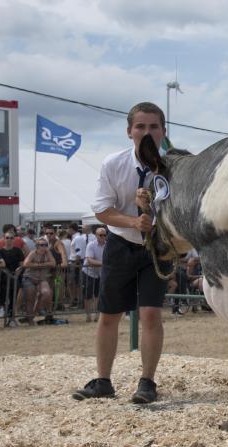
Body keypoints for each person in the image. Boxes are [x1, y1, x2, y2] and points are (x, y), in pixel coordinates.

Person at [73, 101, 171, 404]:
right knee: (109, 315)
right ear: (129, 131)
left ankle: (147, 382)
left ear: (163, 132)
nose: (146, 132)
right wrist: (133, 220)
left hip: (157, 247)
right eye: (140, 126)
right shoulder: (113, 163)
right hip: (120, 244)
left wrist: (153, 217)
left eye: (153, 126)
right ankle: (103, 380)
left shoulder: (174, 166)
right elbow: (102, 209)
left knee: (151, 314)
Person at [0, 231, 25, 327]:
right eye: (7, 238)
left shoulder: (18, 250)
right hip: (4, 278)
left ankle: (11, 318)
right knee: (3, 297)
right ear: (3, 238)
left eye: (11, 238)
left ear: (14, 239)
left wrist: (20, 269)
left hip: (16, 278)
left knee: (13, 298)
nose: (9, 240)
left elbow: (22, 264)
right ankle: (3, 310)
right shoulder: (0, 251)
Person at [21, 237, 55, 324]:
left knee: (46, 293)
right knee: (30, 297)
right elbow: (26, 263)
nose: (44, 247)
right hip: (29, 277)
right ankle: (30, 319)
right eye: (42, 245)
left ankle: (33, 313)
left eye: (45, 245)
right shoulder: (33, 253)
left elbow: (53, 263)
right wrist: (41, 265)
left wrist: (39, 265)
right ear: (37, 246)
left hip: (41, 279)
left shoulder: (48, 253)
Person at [82, 227, 106, 322]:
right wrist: (104, 263)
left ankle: (97, 315)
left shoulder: (107, 245)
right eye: (100, 235)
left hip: (100, 273)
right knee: (88, 295)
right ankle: (88, 315)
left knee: (98, 294)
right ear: (96, 235)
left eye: (104, 235)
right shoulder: (91, 245)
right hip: (89, 272)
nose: (103, 237)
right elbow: (90, 260)